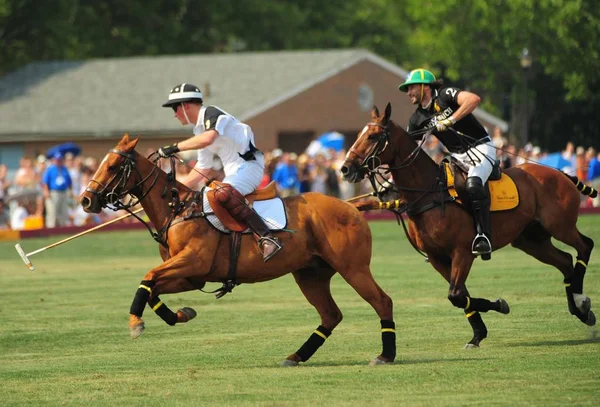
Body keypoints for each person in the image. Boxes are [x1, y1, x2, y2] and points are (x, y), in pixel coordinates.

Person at [158, 83, 282, 262]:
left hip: (249, 167)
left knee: (220, 193)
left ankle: (267, 237)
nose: (174, 114)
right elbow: (202, 168)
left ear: (186, 106)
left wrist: (174, 148)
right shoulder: (198, 130)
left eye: (174, 108)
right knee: (204, 199)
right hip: (233, 174)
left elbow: (209, 138)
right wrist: (175, 189)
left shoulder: (211, 113)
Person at [399, 69, 495, 259]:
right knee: (436, 187)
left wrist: (451, 119)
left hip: (481, 148)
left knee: (474, 184)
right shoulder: (417, 119)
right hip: (457, 156)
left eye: (411, 88)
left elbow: (473, 99)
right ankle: (439, 242)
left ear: (424, 86)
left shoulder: (445, 95)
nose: (408, 93)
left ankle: (483, 236)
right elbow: (406, 149)